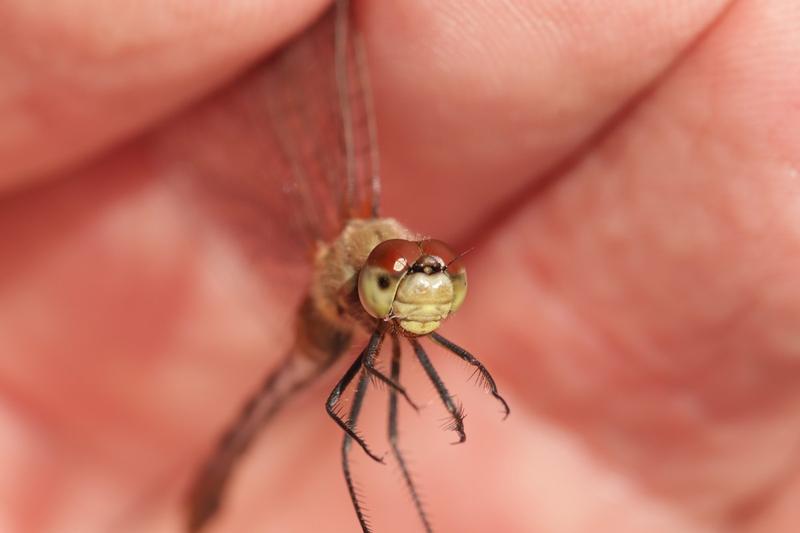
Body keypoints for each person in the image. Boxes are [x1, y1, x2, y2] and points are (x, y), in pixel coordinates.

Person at [1, 1, 798, 532]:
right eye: (406, 285)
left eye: (440, 281)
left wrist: (467, 381)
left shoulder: (396, 294)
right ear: (369, 284)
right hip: (281, 344)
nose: (428, 297)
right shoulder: (347, 274)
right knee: (363, 417)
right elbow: (363, 412)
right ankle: (242, 501)